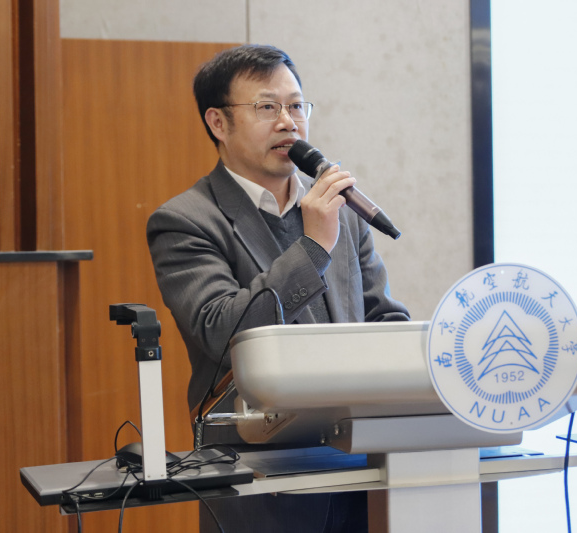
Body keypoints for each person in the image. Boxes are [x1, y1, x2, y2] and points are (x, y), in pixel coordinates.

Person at [147, 44, 410, 533]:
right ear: (218, 122)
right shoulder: (185, 221)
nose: (288, 122)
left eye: (296, 106)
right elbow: (222, 333)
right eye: (267, 107)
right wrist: (313, 247)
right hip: (260, 483)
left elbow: (381, 319)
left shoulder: (342, 213)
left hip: (363, 473)